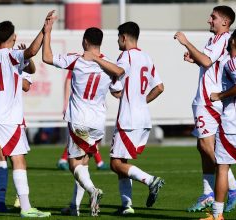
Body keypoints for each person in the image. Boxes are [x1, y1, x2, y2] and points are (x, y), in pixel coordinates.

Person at [0, 11, 55, 217]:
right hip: (7, 119)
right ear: (13, 37)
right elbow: (31, 51)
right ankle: (26, 208)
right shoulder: (12, 55)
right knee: (18, 160)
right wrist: (44, 30)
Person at [42, 13, 122, 217]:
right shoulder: (109, 64)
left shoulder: (76, 59)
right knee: (84, 163)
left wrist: (48, 32)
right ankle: (74, 206)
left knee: (73, 164)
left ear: (85, 41)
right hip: (98, 121)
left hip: (79, 120)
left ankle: (93, 190)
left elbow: (47, 57)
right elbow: (118, 82)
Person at [83, 21, 165, 215]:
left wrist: (96, 59)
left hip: (128, 118)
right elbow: (160, 87)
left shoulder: (126, 56)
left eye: (119, 37)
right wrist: (141, 101)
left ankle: (150, 180)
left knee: (115, 163)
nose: (118, 41)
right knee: (123, 161)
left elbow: (117, 75)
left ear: (124, 37)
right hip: (143, 117)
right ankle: (126, 205)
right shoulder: (146, 57)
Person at [174, 6, 236, 212]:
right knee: (202, 147)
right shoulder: (214, 40)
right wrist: (194, 59)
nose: (209, 20)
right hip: (203, 99)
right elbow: (208, 64)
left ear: (225, 22)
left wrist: (186, 42)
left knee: (207, 146)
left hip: (208, 100)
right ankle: (207, 193)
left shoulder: (224, 39)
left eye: (213, 17)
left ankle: (233, 186)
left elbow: (206, 60)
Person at [199, 26, 236, 220]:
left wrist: (219, 95)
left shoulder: (233, 63)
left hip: (233, 124)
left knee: (222, 168)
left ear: (232, 41)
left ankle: (217, 216)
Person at [0, 43, 36, 212]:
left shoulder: (14, 57)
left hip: (10, 116)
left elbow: (26, 84)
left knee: (11, 157)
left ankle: (17, 198)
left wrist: (24, 59)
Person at [57, 70, 109, 171]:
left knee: (83, 136)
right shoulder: (79, 63)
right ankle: (99, 162)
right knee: (83, 136)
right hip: (80, 108)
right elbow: (68, 82)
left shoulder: (96, 64)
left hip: (89, 108)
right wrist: (66, 102)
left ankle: (63, 160)